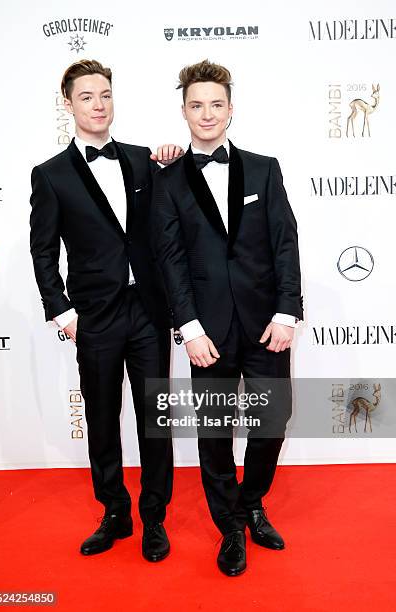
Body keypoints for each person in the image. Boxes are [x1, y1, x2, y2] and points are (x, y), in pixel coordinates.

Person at [152, 59, 303, 576]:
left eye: (217, 104)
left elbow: (285, 243)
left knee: (272, 420)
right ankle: (231, 528)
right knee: (214, 434)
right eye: (197, 105)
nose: (207, 113)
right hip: (207, 332)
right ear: (184, 112)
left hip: (267, 326)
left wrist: (287, 312)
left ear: (231, 110)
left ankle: (251, 501)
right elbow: (169, 259)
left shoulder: (265, 167)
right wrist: (188, 327)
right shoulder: (167, 179)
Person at [30, 59, 183, 561]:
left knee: (154, 419)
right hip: (94, 316)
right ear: (69, 104)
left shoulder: (143, 159)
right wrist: (63, 312)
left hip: (148, 312)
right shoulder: (50, 175)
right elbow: (44, 251)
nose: (99, 104)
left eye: (105, 95)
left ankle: (154, 518)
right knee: (101, 417)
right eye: (87, 97)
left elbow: (173, 217)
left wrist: (174, 157)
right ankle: (115, 512)